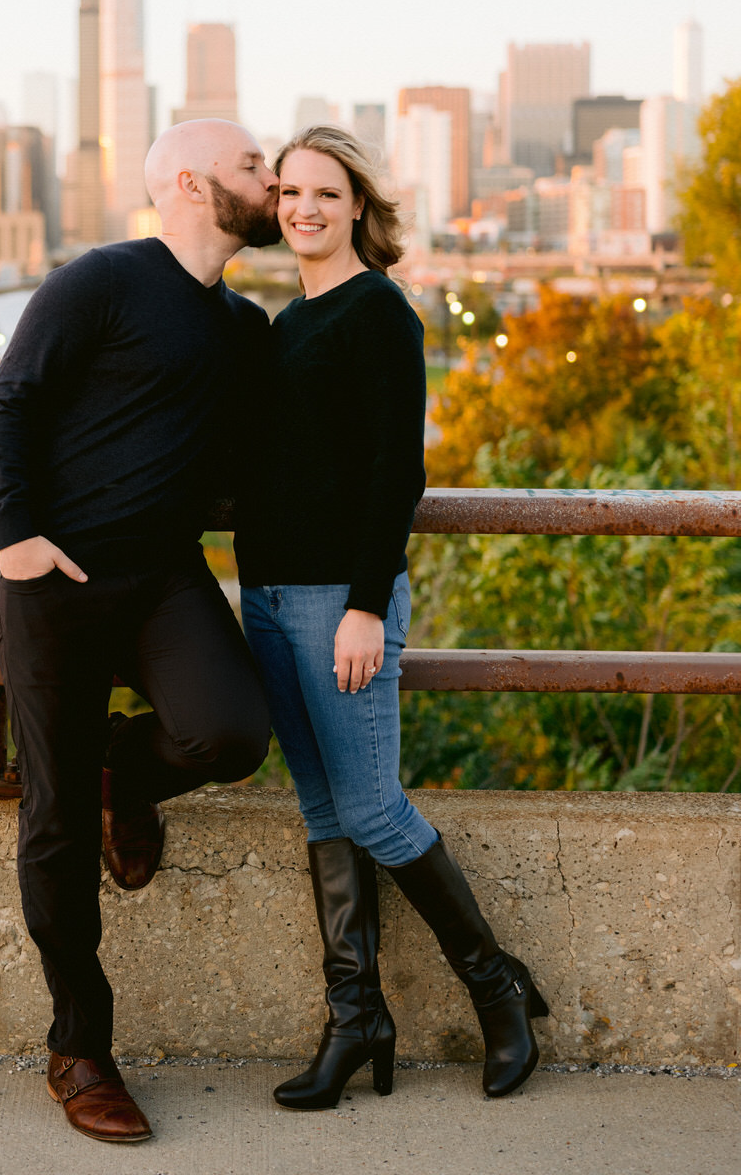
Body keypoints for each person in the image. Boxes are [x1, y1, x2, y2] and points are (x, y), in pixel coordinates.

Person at [0, 119, 279, 1145]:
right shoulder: (100, 280)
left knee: (231, 732)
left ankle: (126, 773)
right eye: (254, 165)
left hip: (161, 580)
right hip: (55, 581)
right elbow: (7, 406)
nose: (273, 178)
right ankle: (79, 1047)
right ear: (192, 183)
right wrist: (16, 535)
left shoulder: (244, 326)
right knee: (54, 821)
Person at [234, 124, 547, 1110]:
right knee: (325, 813)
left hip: (341, 603)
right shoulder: (287, 324)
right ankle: (355, 1018)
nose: (303, 209)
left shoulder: (381, 315)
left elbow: (394, 473)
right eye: (289, 193)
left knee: (373, 807)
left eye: (324, 193)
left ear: (358, 206)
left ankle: (499, 993)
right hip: (271, 599)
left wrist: (367, 604)